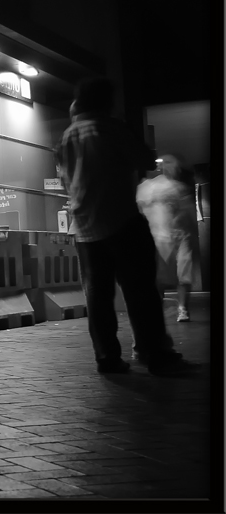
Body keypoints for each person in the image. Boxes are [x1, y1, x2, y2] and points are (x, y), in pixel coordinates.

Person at [55, 77, 191, 375]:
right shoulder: (109, 126)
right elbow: (142, 158)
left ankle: (107, 357)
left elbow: (65, 177)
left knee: (98, 295)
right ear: (106, 101)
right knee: (140, 290)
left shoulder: (67, 135)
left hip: (84, 227)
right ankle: (153, 352)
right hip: (119, 219)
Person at [136, 154, 197, 323]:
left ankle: (182, 308)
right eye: (167, 164)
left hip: (180, 236)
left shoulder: (179, 188)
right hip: (158, 237)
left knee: (183, 273)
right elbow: (139, 211)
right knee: (158, 277)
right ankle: (156, 309)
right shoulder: (148, 187)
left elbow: (189, 212)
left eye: (173, 164)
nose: (170, 167)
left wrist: (188, 228)